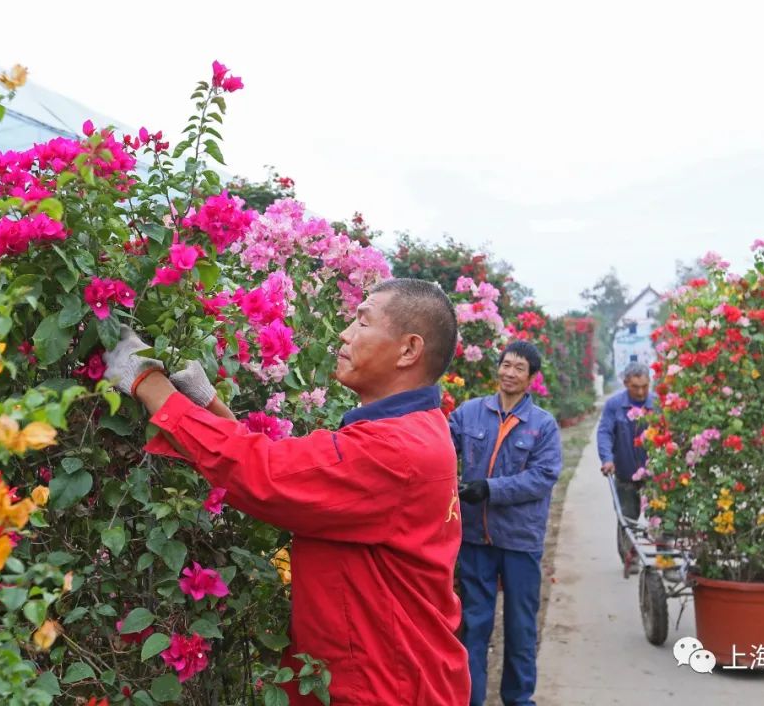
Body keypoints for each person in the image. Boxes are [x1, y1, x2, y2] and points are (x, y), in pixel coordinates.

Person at [103, 278, 470, 705]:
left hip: (384, 687)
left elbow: (267, 475)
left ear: (409, 350)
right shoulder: (412, 431)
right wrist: (209, 408)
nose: (345, 334)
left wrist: (149, 383)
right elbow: (300, 478)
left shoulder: (395, 450)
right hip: (393, 674)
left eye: (362, 322)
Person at [450, 341, 562, 706]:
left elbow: (543, 477)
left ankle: (519, 699)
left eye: (519, 368)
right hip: (474, 538)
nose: (509, 373)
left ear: (531, 378)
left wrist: (489, 489)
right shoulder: (469, 413)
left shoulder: (542, 425)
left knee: (520, 629)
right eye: (506, 364)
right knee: (474, 626)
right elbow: (440, 443)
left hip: (519, 541)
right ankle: (472, 700)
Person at [597, 362, 653, 565]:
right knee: (627, 517)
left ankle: (664, 557)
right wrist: (607, 459)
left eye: (644, 386)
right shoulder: (614, 405)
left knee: (662, 516)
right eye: (635, 387)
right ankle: (629, 557)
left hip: (654, 475)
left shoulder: (657, 404)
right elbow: (604, 433)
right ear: (626, 383)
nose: (640, 392)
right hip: (625, 471)